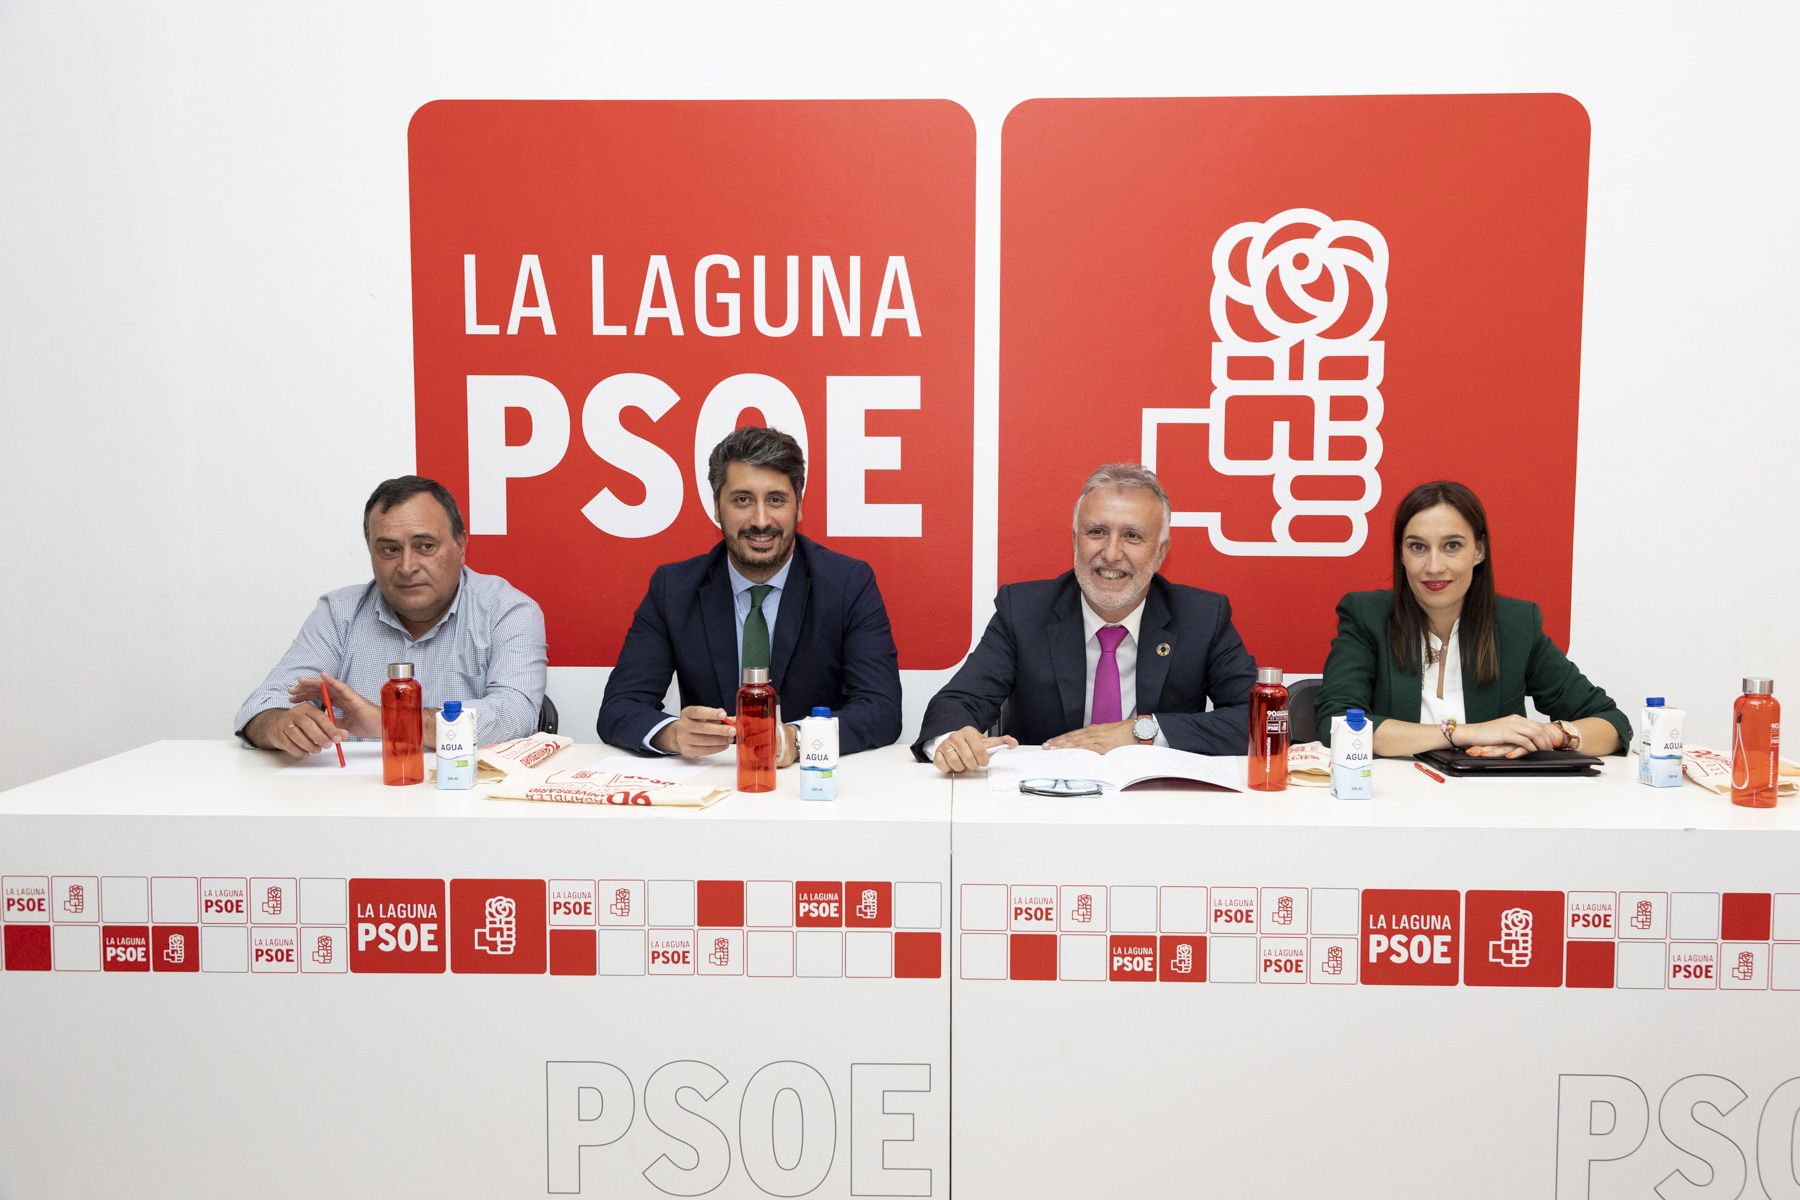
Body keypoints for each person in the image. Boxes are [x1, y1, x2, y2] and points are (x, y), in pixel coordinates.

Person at [914, 463, 1257, 773]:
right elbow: (956, 702)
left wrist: (1142, 731)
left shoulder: (1201, 617)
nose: (1110, 553)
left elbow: (1260, 720)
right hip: (1044, 803)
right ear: (1075, 541)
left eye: (1132, 536)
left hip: (1159, 807)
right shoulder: (1023, 610)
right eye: (1096, 532)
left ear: (1161, 552)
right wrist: (952, 740)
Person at [598, 426, 902, 763]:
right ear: (717, 507)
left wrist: (795, 740)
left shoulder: (847, 583)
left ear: (798, 507)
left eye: (776, 500)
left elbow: (882, 709)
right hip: (712, 784)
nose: (760, 520)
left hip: (812, 787)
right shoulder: (674, 588)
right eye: (742, 500)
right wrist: (673, 735)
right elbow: (619, 707)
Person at [234, 475, 547, 757]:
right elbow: (261, 706)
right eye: (389, 550)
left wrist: (391, 722)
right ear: (371, 551)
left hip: (467, 799)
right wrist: (280, 726)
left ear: (460, 546)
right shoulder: (338, 613)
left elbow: (514, 715)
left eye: (425, 546)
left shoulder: (507, 611)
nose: (407, 567)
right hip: (356, 802)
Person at [1316, 479, 1629, 757]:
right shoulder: (1366, 616)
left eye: (1452, 546)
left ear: (1479, 550)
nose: (1434, 566)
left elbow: (1612, 723)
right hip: (1390, 805)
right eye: (1418, 547)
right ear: (1401, 554)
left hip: (1492, 806)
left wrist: (1550, 735)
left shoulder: (1516, 624)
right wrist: (1465, 732)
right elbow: (1337, 724)